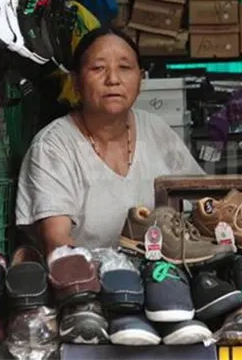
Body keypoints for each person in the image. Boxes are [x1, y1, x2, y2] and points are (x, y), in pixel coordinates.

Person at [16, 27, 204, 255]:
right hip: (89, 280)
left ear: (141, 79)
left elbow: (202, 200)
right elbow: (58, 242)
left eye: (124, 68)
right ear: (75, 82)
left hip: (163, 274)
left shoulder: (156, 129)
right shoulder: (52, 147)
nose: (113, 79)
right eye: (98, 68)